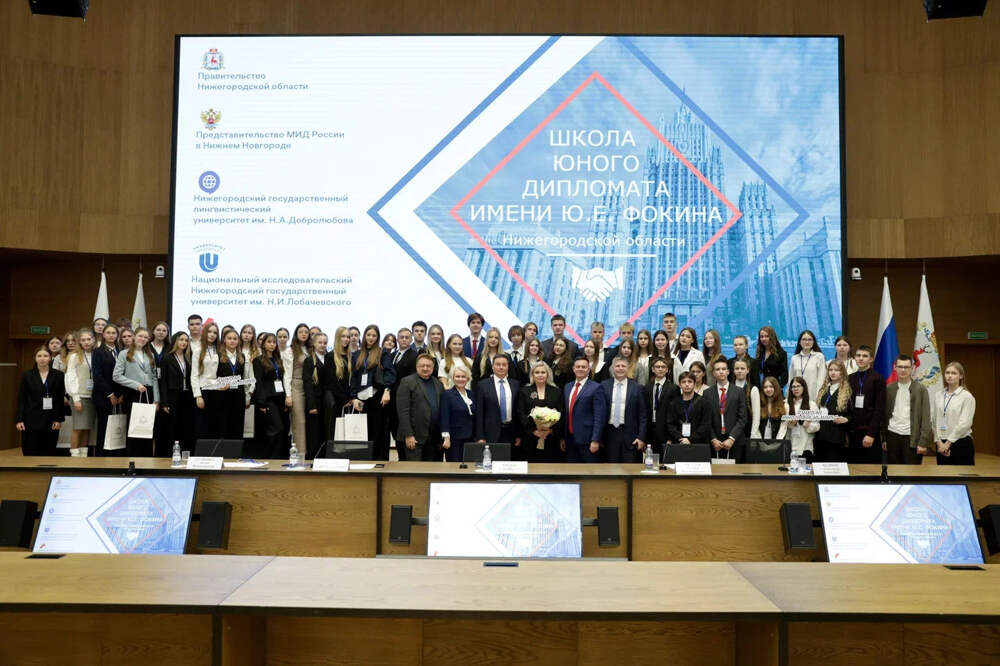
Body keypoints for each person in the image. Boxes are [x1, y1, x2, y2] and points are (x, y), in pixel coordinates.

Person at [112, 327, 161, 457]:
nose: (143, 339)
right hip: (133, 393)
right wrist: (135, 385)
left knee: (146, 426)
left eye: (145, 337)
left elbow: (154, 378)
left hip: (148, 394)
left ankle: (147, 458)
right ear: (134, 336)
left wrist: (156, 400)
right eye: (140, 336)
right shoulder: (124, 354)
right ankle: (132, 458)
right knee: (134, 427)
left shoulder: (150, 355)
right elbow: (116, 376)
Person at [350, 325, 396, 460]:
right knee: (363, 432)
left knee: (379, 432)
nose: (371, 338)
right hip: (361, 399)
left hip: (377, 397)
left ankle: (379, 463)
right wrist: (353, 397)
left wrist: (387, 390)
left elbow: (390, 373)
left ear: (378, 338)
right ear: (364, 336)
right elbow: (354, 378)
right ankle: (363, 461)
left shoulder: (383, 353)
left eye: (374, 335)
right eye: (368, 335)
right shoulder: (357, 354)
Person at [881, 354, 933, 465]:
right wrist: (884, 439)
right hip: (892, 435)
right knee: (893, 471)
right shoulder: (889, 388)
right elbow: (883, 416)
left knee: (911, 472)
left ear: (912, 368)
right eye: (900, 367)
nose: (903, 370)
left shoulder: (921, 389)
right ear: (895, 367)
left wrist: (923, 442)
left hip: (911, 438)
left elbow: (926, 418)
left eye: (906, 367)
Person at [15, 346, 65, 456]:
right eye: (39, 356)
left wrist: (58, 419)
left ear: (50, 358)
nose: (42, 358)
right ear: (35, 358)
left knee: (49, 451)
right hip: (30, 418)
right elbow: (21, 398)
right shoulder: (27, 375)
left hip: (50, 418)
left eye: (45, 356)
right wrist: (19, 419)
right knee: (30, 450)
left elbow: (59, 399)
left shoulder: (58, 375)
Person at [396, 353, 443, 461]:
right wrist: (408, 435)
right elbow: (403, 411)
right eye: (422, 366)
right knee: (415, 470)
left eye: (428, 366)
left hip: (433, 438)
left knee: (433, 470)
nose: (425, 368)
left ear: (433, 367)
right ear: (417, 366)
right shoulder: (407, 382)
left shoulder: (438, 384)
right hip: (414, 438)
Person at [601, 356, 648, 463]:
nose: (620, 368)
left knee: (629, 469)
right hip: (609, 434)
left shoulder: (637, 387)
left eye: (623, 366)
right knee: (610, 468)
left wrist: (641, 437)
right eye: (617, 366)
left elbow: (643, 415)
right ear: (613, 368)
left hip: (631, 435)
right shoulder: (604, 386)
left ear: (628, 368)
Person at [474, 354, 522, 456]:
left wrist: (518, 434)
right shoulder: (483, 385)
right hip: (490, 433)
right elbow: (479, 413)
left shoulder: (516, 384)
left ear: (508, 367)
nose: (501, 367)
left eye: (504, 365)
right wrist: (480, 436)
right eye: (498, 364)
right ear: (492, 367)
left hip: (510, 432)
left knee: (509, 462)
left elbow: (518, 412)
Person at [560, 357, 607, 463]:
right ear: (573, 369)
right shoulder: (567, 387)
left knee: (590, 471)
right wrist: (563, 437)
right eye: (578, 367)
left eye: (583, 367)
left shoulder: (596, 387)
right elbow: (566, 413)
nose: (580, 369)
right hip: (570, 439)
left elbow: (599, 416)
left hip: (588, 440)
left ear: (588, 370)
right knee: (571, 471)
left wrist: (595, 440)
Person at [515, 361, 563, 463]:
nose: (540, 375)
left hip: (550, 439)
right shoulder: (524, 391)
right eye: (537, 372)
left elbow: (561, 412)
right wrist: (533, 430)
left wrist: (550, 431)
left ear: (548, 374)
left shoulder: (556, 391)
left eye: (543, 372)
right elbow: (520, 413)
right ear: (532, 374)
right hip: (530, 437)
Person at [931, 361, 976, 465]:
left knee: (962, 475)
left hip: (960, 442)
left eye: (954, 373)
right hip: (941, 443)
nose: (950, 376)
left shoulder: (967, 397)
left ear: (961, 376)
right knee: (943, 475)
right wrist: (938, 442)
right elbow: (934, 420)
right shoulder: (938, 395)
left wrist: (948, 443)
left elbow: (965, 423)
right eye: (947, 373)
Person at [253, 333, 288, 460]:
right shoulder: (258, 360)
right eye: (269, 342)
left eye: (274, 342)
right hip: (268, 399)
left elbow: (283, 379)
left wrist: (285, 398)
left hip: (280, 398)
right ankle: (268, 457)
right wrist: (261, 402)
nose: (272, 344)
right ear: (263, 344)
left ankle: (276, 457)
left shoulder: (278, 359)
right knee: (276, 428)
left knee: (281, 429)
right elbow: (258, 381)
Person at [704, 358, 748, 462]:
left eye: (723, 369)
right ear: (713, 373)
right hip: (715, 442)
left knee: (735, 471)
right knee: (715, 471)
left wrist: (731, 438)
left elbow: (743, 418)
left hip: (735, 440)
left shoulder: (739, 391)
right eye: (718, 369)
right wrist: (713, 439)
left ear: (728, 372)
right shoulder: (707, 393)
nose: (721, 371)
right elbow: (706, 419)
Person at [159, 331, 195, 454]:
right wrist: (164, 402)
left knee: (185, 425)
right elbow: (163, 382)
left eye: (186, 340)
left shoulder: (189, 358)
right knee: (172, 426)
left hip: (187, 396)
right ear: (175, 341)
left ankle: (185, 453)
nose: (184, 342)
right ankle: (170, 454)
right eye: (181, 339)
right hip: (172, 396)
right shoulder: (167, 358)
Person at [848, 345, 885, 464]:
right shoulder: (850, 378)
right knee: (853, 468)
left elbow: (879, 409)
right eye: (858, 355)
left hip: (869, 433)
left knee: (871, 469)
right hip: (853, 432)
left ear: (871, 359)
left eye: (864, 356)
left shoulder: (878, 379)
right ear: (854, 358)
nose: (861, 358)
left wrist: (871, 434)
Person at [91, 324, 122, 456]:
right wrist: (110, 394)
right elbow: (97, 376)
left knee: (118, 427)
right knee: (104, 426)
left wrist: (121, 394)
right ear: (103, 335)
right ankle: (101, 456)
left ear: (117, 335)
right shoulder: (98, 352)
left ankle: (117, 455)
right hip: (103, 396)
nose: (111, 335)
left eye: (114, 333)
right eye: (108, 333)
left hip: (120, 396)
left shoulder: (121, 351)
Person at [387, 328, 418, 461]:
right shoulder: (392, 355)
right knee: (394, 429)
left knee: (402, 430)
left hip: (405, 398)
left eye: (407, 337)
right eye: (401, 337)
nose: (404, 340)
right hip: (391, 399)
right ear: (397, 339)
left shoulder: (414, 356)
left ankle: (404, 460)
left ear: (411, 340)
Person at [64, 328, 96, 456]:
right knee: (78, 427)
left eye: (88, 339)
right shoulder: (74, 356)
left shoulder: (96, 355)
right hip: (79, 396)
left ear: (93, 340)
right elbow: (70, 377)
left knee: (87, 428)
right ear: (79, 342)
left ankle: (84, 456)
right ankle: (75, 456)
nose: (86, 342)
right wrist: (75, 398)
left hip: (92, 396)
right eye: (83, 340)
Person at [814, 360, 852, 463]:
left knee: (833, 466)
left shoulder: (847, 391)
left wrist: (845, 419)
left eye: (836, 370)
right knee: (819, 466)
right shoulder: (823, 389)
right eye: (830, 370)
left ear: (842, 372)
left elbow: (851, 415)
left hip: (836, 436)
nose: (833, 372)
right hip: (820, 435)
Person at [216, 328, 251, 441]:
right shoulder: (218, 355)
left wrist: (247, 396)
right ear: (224, 340)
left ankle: (236, 450)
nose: (232, 341)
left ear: (238, 341)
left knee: (237, 425)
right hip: (223, 395)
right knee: (223, 425)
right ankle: (223, 449)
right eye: (229, 338)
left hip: (238, 395)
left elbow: (244, 377)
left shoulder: (242, 356)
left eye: (235, 339)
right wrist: (221, 383)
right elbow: (213, 376)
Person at [440, 364, 476, 463]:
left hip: (471, 439)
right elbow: (444, 417)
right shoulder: (447, 394)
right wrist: (446, 438)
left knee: (470, 466)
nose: (460, 379)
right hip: (455, 439)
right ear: (453, 378)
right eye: (457, 376)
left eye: (463, 376)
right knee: (455, 467)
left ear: (468, 379)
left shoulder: (471, 394)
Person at [283, 323, 311, 452]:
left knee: (311, 422)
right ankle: (300, 454)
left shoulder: (311, 349)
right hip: (296, 386)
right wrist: (288, 395)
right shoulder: (290, 350)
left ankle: (311, 453)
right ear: (296, 334)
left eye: (306, 332)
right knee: (300, 422)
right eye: (301, 332)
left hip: (310, 387)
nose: (304, 334)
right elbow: (287, 374)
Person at [666, 371, 712, 445]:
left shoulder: (703, 402)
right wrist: (680, 438)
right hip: (679, 442)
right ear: (680, 385)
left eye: (690, 381)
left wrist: (690, 439)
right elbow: (670, 425)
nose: (687, 384)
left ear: (694, 384)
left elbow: (705, 425)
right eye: (683, 382)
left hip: (698, 443)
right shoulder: (673, 403)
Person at [191, 322, 221, 438]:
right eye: (209, 332)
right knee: (202, 425)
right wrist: (198, 396)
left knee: (215, 424)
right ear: (204, 333)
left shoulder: (219, 350)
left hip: (217, 391)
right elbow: (194, 375)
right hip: (203, 391)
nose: (212, 335)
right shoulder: (198, 350)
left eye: (215, 333)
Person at [644, 356, 679, 453]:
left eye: (663, 367)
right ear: (653, 369)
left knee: (665, 459)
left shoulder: (673, 388)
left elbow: (675, 414)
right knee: (651, 459)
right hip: (650, 431)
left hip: (665, 432)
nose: (660, 369)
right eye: (657, 367)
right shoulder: (647, 387)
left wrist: (671, 437)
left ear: (667, 370)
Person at [302, 332, 328, 460]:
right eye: (320, 342)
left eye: (325, 343)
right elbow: (307, 385)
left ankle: (324, 458)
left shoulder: (329, 358)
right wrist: (311, 406)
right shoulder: (308, 361)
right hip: (314, 402)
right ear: (313, 343)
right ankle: (312, 458)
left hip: (326, 402)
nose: (322, 345)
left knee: (324, 431)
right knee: (313, 433)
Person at [323, 326, 352, 441]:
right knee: (333, 430)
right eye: (343, 336)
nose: (346, 339)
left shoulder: (349, 356)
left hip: (347, 400)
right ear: (337, 338)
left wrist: (349, 398)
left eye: (348, 337)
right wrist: (344, 399)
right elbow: (331, 382)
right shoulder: (330, 356)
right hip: (335, 400)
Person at [784, 376, 820, 462]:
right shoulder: (786, 404)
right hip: (790, 445)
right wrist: (790, 423)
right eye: (793, 386)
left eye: (798, 386)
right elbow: (782, 425)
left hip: (806, 446)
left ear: (804, 388)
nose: (796, 389)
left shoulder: (812, 405)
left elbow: (817, 426)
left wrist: (808, 425)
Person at [789, 329, 826, 400]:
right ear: (799, 342)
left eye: (810, 340)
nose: (807, 342)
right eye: (804, 339)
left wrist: (818, 397)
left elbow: (821, 379)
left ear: (813, 342)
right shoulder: (794, 358)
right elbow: (791, 379)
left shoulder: (819, 357)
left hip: (813, 395)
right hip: (797, 396)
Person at [731, 358, 760, 441]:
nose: (739, 371)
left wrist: (753, 434)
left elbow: (756, 415)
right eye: (737, 368)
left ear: (748, 370)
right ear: (733, 371)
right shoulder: (728, 388)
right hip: (731, 432)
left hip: (747, 432)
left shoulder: (753, 389)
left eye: (742, 368)